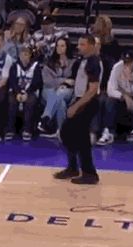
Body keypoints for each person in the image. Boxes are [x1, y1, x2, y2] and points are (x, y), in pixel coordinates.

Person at [53, 34, 102, 185]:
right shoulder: (82, 61)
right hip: (80, 99)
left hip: (87, 102)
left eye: (83, 44)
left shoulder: (93, 62)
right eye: (79, 44)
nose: (79, 47)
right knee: (68, 132)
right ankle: (73, 167)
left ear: (91, 46)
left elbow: (93, 89)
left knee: (81, 137)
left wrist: (76, 105)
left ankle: (89, 173)